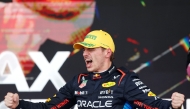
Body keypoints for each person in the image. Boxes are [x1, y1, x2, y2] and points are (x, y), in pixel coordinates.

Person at [4, 30, 185, 109]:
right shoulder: (79, 80)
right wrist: (20, 104)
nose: (84, 53)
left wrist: (172, 105)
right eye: (83, 49)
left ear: (107, 52)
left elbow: (153, 105)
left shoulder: (125, 79)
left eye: (90, 49)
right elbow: (48, 107)